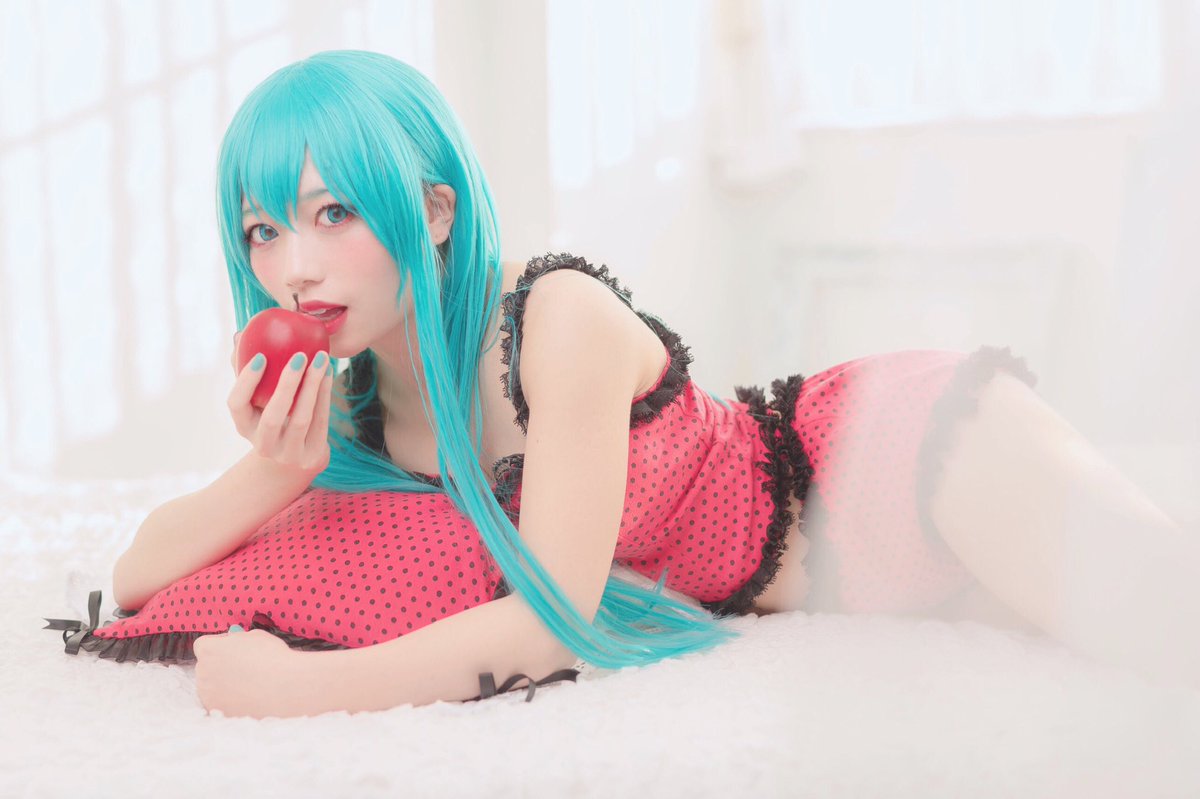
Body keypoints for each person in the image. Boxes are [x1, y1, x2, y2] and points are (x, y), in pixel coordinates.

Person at [120, 49, 1198, 717]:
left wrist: (305, 690)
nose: (295, 267)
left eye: (333, 213)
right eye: (264, 230)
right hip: (864, 592)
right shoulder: (358, 398)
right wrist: (277, 469)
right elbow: (135, 577)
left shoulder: (555, 319)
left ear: (435, 212)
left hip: (897, 461)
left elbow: (552, 620)